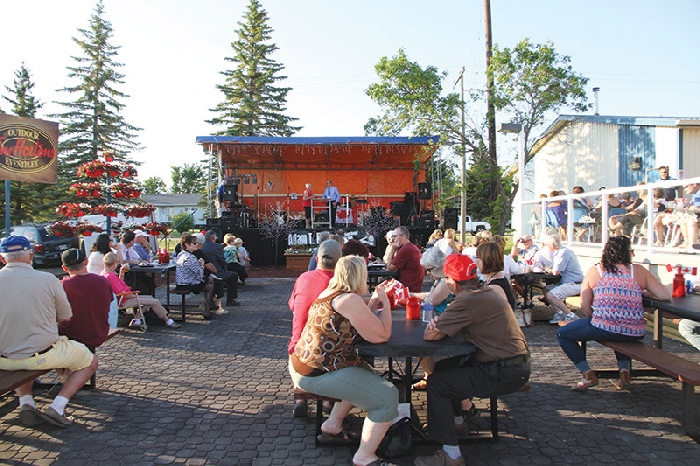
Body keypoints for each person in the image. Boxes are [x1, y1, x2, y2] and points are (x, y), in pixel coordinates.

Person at [415, 254, 530, 466]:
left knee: (438, 384)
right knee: (444, 367)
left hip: (502, 371)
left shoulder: (467, 300)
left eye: (445, 278)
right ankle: (457, 423)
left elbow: (430, 336)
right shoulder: (483, 291)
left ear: (452, 281)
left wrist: (438, 326)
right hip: (515, 364)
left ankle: (451, 455)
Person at [290, 256, 398, 466]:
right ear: (360, 276)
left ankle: (333, 425)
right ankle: (365, 456)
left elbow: (360, 318)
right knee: (388, 396)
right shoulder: (348, 299)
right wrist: (385, 302)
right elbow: (381, 336)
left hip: (305, 366)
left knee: (364, 372)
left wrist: (374, 300)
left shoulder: (331, 293)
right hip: (316, 374)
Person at [0, 236, 98, 428]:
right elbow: (65, 317)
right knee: (90, 361)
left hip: (4, 357)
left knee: (20, 357)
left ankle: (26, 402)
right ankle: (58, 406)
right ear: (31, 255)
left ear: (3, 259)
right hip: (42, 354)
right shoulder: (48, 279)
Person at [556, 236, 671, 391]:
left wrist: (594, 318)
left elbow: (585, 305)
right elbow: (664, 295)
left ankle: (587, 373)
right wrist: (643, 292)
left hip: (604, 327)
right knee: (620, 332)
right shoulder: (638, 271)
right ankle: (624, 372)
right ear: (628, 252)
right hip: (635, 331)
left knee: (563, 334)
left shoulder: (595, 271)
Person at [288, 240, 343, 417]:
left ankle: (300, 399)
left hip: (299, 348)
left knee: (296, 346)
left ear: (317, 258)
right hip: (330, 352)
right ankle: (329, 401)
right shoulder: (341, 284)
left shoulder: (303, 278)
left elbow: (292, 306)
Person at [101, 252, 181, 329]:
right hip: (124, 299)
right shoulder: (110, 276)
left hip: (119, 299)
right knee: (154, 302)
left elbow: (119, 285)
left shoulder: (103, 274)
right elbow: (122, 292)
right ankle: (168, 321)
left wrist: (122, 273)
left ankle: (136, 319)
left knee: (150, 299)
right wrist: (133, 295)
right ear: (114, 263)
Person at [60, 248, 114, 350]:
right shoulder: (103, 281)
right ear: (86, 261)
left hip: (72, 335)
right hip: (99, 332)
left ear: (64, 268)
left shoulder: (63, 285)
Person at [532, 233, 584, 325]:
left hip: (574, 283)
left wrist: (546, 269)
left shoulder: (562, 253)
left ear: (552, 245)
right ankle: (560, 312)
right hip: (571, 282)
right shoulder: (564, 251)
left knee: (550, 295)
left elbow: (556, 272)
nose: (547, 247)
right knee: (546, 289)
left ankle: (570, 315)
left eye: (547, 245)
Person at [175, 234, 215, 319]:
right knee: (210, 286)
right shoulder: (190, 257)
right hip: (186, 283)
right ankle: (207, 310)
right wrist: (202, 264)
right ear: (187, 245)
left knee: (210, 279)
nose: (196, 245)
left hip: (181, 281)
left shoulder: (181, 254)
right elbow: (200, 274)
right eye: (194, 243)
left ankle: (210, 305)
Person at [201, 230, 240, 307]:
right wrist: (226, 269)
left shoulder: (201, 245)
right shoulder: (217, 247)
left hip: (204, 273)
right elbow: (222, 261)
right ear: (214, 238)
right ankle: (230, 300)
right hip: (216, 272)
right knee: (233, 276)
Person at [385, 226, 425, 292]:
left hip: (407, 288)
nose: (393, 239)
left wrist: (392, 250)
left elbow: (389, 268)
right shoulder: (410, 247)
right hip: (412, 285)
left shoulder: (406, 249)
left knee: (380, 290)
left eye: (395, 236)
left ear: (403, 236)